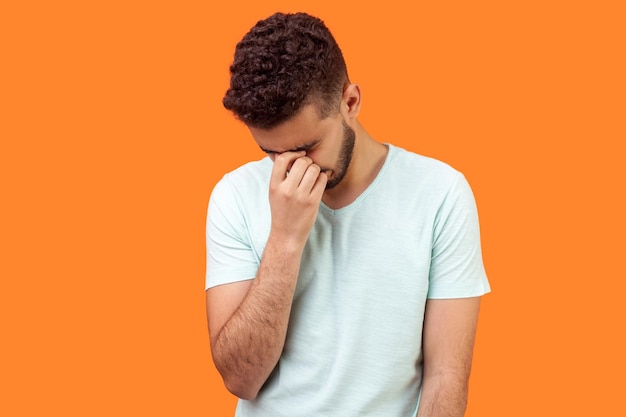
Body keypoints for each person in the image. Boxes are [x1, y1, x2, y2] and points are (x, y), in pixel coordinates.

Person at [205, 12, 490, 417]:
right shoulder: (233, 196)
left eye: (307, 148)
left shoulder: (439, 193)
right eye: (271, 153)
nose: (290, 169)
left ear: (350, 102)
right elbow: (241, 379)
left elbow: (446, 377)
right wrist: (285, 240)